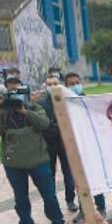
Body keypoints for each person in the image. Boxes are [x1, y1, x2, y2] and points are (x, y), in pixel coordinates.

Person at [0, 77, 68, 224]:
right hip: (14, 164)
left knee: (49, 195)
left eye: (18, 92)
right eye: (10, 93)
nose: (14, 97)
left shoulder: (34, 107)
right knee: (20, 198)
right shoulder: (3, 113)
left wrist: (24, 111)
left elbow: (44, 123)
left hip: (39, 160)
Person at [61, 72, 107, 223]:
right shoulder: (63, 104)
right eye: (71, 84)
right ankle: (84, 210)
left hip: (90, 147)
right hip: (74, 149)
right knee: (79, 182)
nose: (75, 86)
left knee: (94, 178)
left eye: (77, 82)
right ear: (66, 86)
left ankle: (101, 207)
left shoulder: (89, 101)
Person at [36, 73, 78, 214]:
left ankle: (70, 199)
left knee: (68, 173)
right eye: (49, 84)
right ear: (45, 86)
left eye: (55, 83)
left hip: (65, 142)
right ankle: (52, 203)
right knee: (50, 174)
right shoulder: (41, 103)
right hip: (49, 144)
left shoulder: (68, 100)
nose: (53, 87)